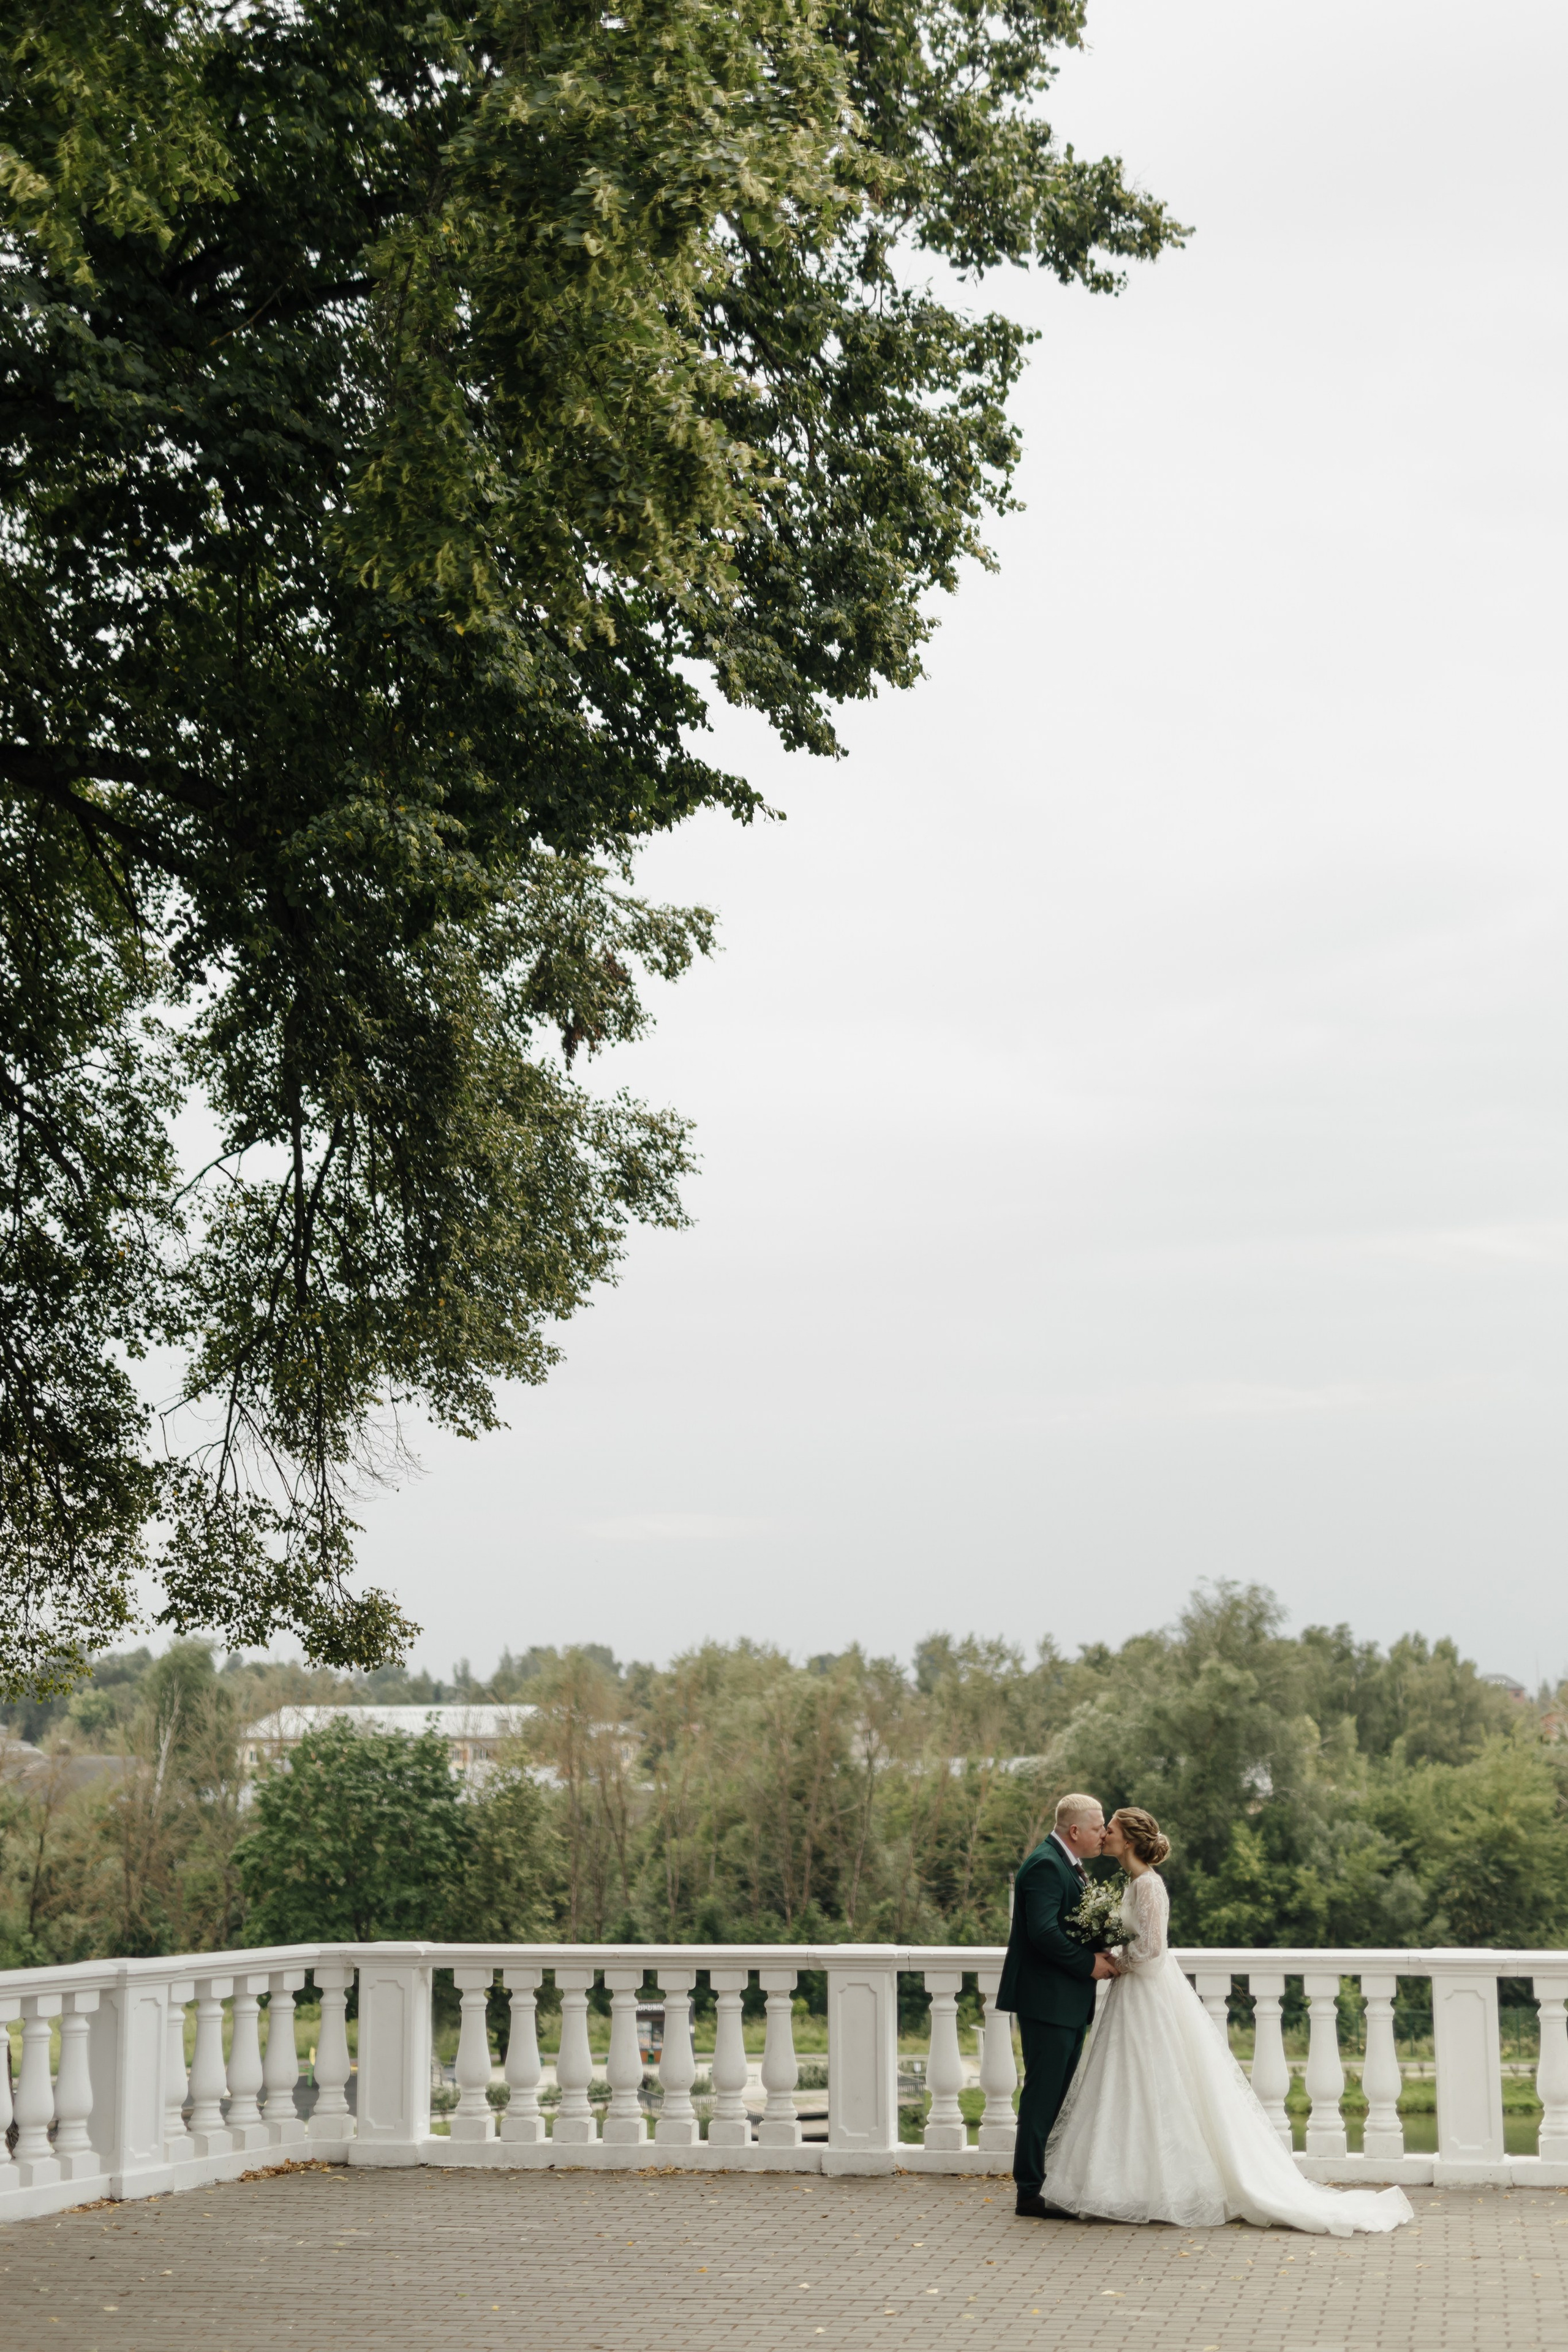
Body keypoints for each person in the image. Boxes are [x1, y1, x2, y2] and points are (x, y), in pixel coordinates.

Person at [1040, 1804, 1413, 2236]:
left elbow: (1152, 1951)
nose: (1104, 1834)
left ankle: (1162, 2187)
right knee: (1130, 2086)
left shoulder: (1148, 1886)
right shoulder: (1131, 1882)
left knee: (1159, 2084)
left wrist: (1115, 1962)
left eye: (1113, 1829)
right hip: (1134, 1997)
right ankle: (1130, 2185)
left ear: (1130, 1840)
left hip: (1147, 1993)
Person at [995, 1791, 1121, 2218]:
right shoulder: (1047, 1865)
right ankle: (1029, 2190)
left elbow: (1069, 1924)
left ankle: (1045, 2180)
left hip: (1064, 2001)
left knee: (1056, 2094)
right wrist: (1088, 1965)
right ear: (1075, 1830)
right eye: (1098, 1825)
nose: (1104, 1832)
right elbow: (1044, 1933)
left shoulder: (1069, 1865)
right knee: (1043, 2095)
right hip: (1048, 2001)